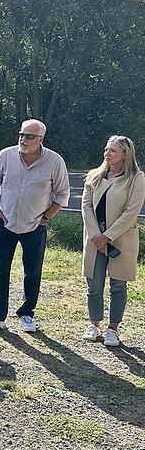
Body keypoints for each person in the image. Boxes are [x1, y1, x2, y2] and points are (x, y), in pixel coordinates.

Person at [0, 119, 70, 334]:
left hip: (35, 226)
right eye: (21, 135)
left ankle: (26, 314)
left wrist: (45, 218)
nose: (23, 139)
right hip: (6, 223)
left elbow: (62, 194)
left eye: (29, 136)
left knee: (32, 272)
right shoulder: (6, 155)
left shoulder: (54, 161)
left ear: (40, 139)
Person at [80, 135, 145, 347]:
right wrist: (96, 236)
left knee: (118, 284)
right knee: (94, 284)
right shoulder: (94, 176)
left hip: (120, 237)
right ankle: (94, 324)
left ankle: (113, 329)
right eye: (106, 149)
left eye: (113, 151)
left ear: (125, 154)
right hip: (94, 237)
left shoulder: (136, 178)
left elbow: (131, 212)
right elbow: (86, 206)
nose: (107, 154)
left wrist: (108, 236)